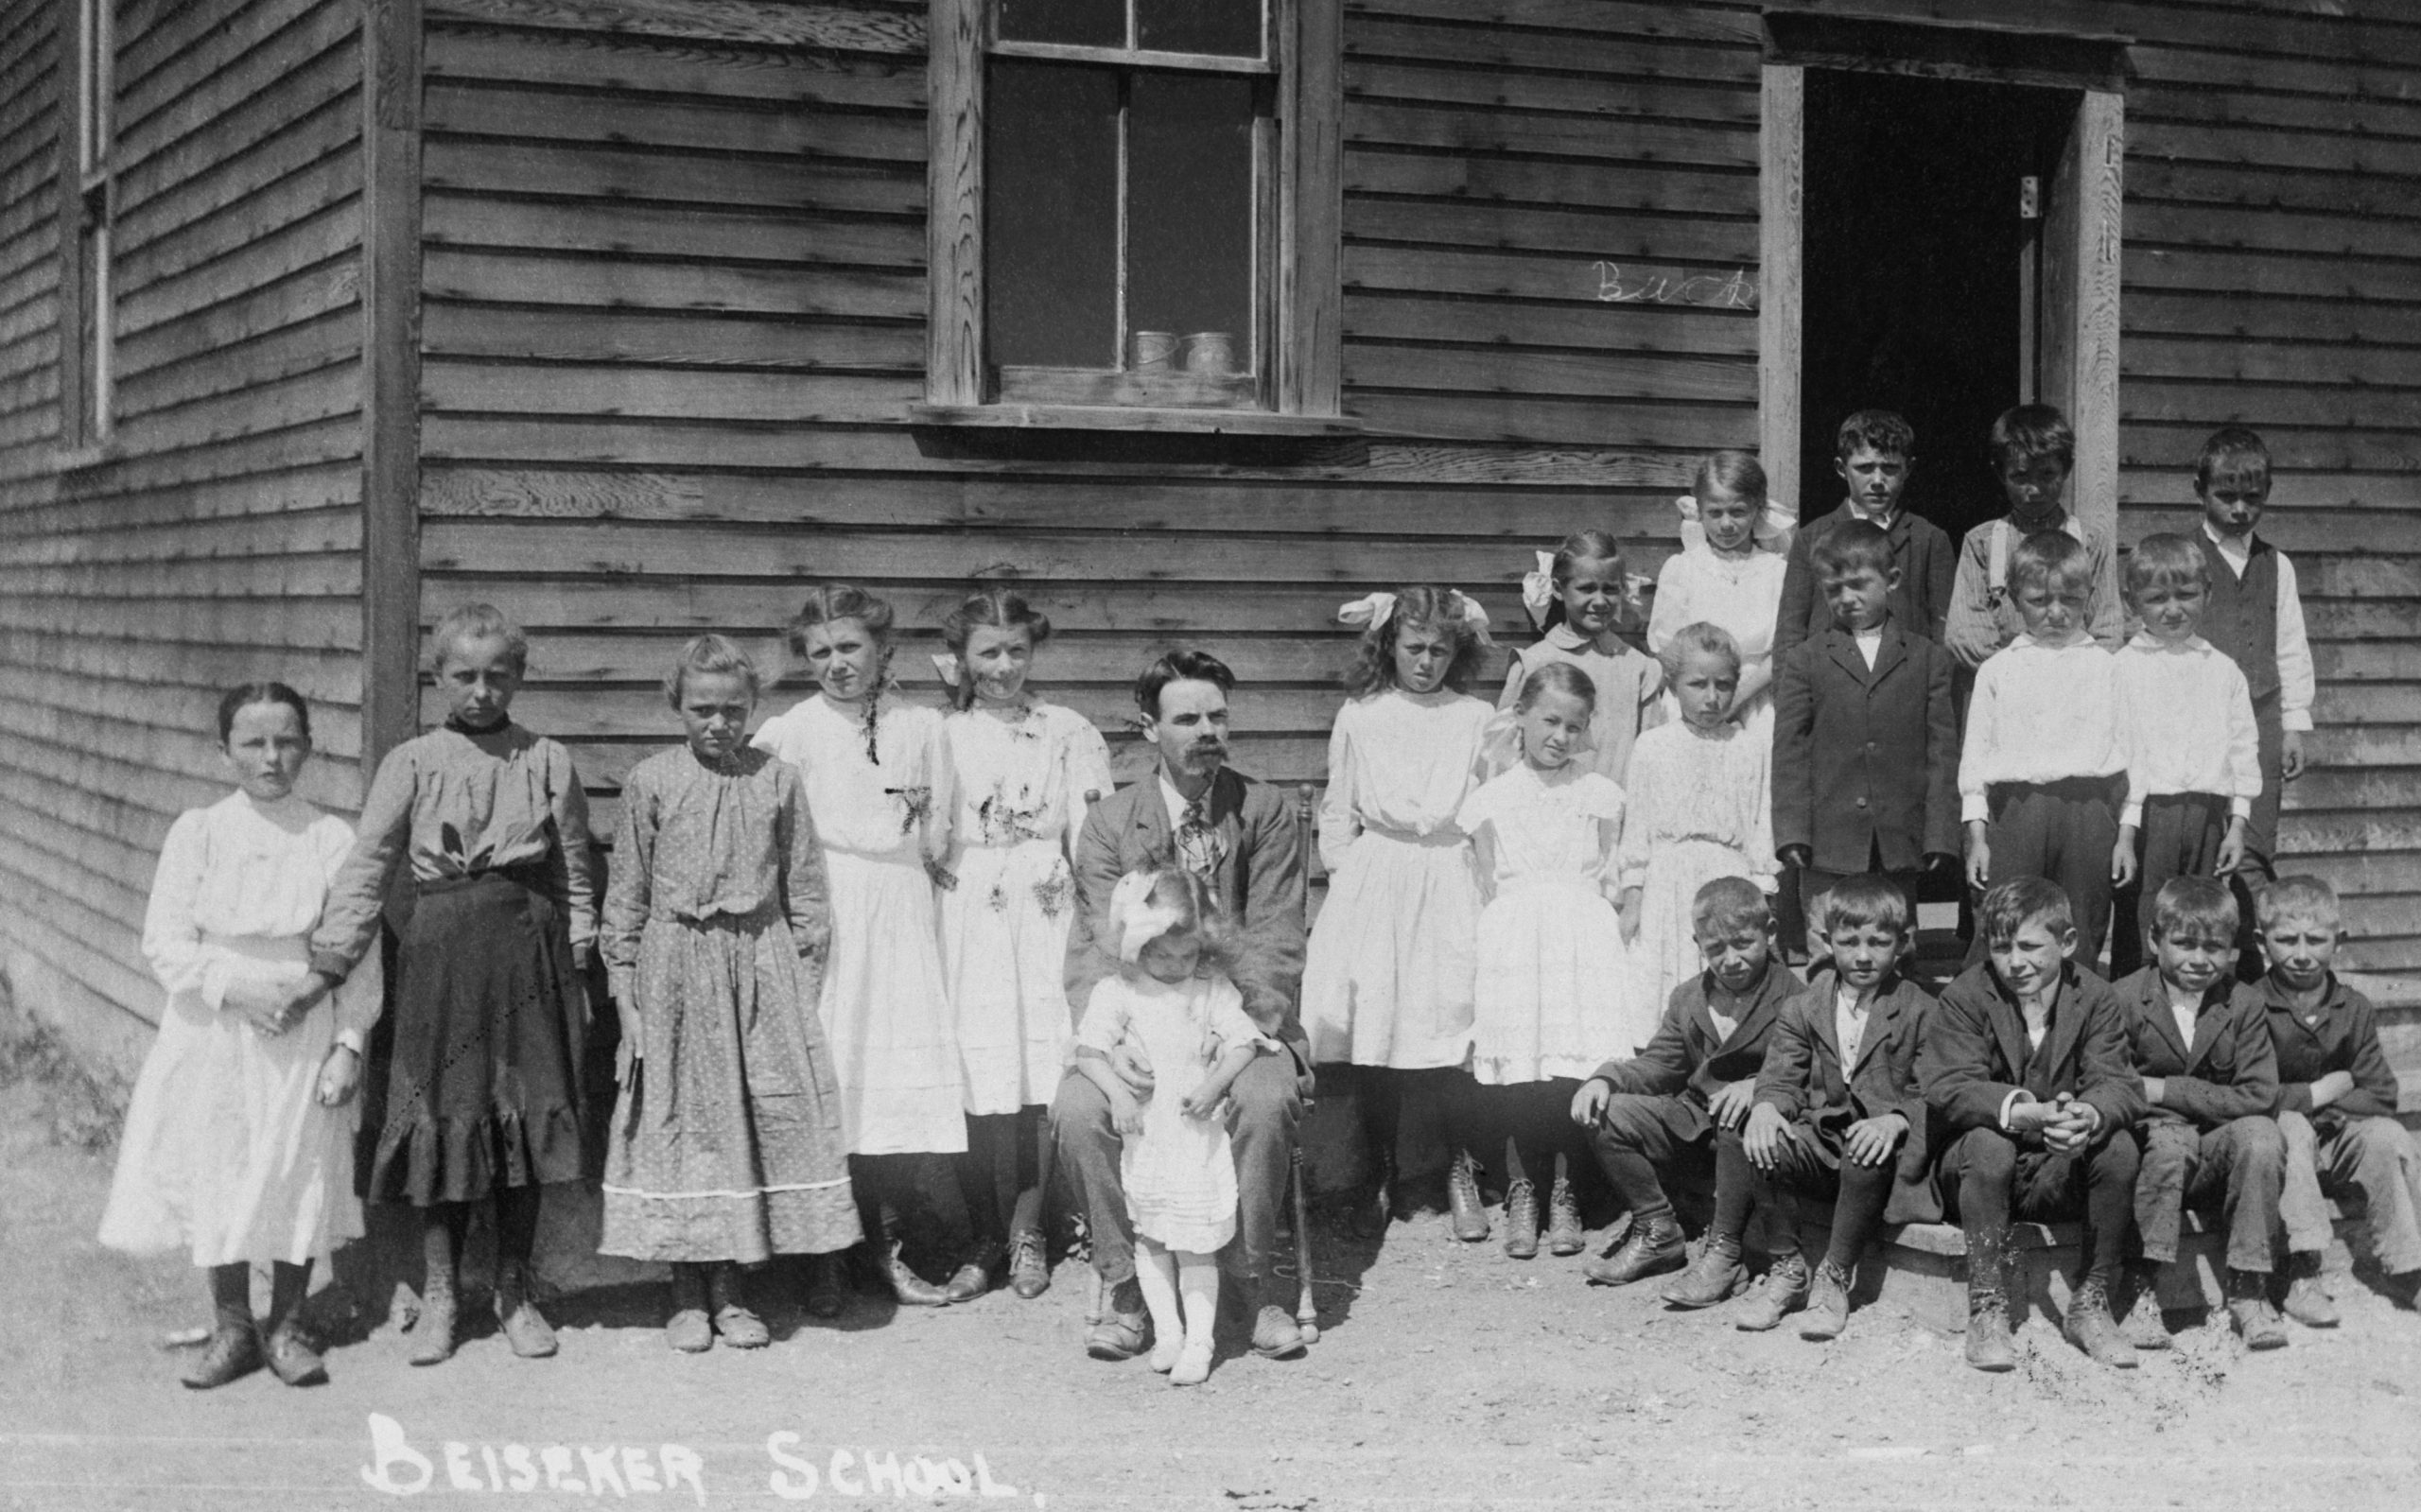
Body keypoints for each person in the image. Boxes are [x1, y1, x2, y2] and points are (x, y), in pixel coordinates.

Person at [291, 605, 597, 1366]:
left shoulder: (548, 759)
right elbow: (368, 864)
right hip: (440, 956)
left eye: (499, 675)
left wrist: (582, 959)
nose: (483, 690)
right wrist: (331, 958)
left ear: (520, 677)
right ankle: (441, 1293)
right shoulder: (414, 760)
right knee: (445, 1116)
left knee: (522, 1119)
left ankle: (514, 1287)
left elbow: (574, 870)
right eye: (465, 675)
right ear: (439, 678)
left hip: (528, 955)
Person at [98, 684, 381, 1389]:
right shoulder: (198, 831)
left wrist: (348, 1042)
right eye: (253, 743)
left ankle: (286, 1323)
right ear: (222, 750)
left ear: (310, 746)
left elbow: (359, 952)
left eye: (286, 740)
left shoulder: (329, 837)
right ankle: (232, 1325)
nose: (271, 757)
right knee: (217, 1166)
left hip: (301, 1018)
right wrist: (234, 988)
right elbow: (163, 942)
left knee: (296, 1167)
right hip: (215, 1022)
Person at [599, 636, 862, 1351]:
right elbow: (623, 902)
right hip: (675, 967)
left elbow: (806, 891)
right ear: (677, 707)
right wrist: (628, 999)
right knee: (683, 1126)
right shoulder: (651, 781)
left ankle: (738, 1288)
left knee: (757, 1120)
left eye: (733, 710)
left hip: (760, 965)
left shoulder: (776, 779)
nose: (718, 723)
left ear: (753, 709)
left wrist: (793, 986)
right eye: (702, 709)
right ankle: (687, 1288)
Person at [1054, 650, 1310, 1364]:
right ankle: (1127, 1285)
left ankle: (1254, 1281)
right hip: (1138, 1022)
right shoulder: (1111, 822)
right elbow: (1094, 945)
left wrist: (1233, 1039)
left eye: (1218, 716)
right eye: (1187, 717)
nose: (1207, 730)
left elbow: (1277, 940)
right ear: (1149, 727)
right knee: (1077, 1109)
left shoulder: (1265, 810)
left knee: (1263, 1100)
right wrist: (1120, 1040)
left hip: (1239, 1026)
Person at [754, 585, 978, 1309]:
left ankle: (887, 1241)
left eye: (849, 647)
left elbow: (940, 831)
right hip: (830, 909)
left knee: (892, 1087)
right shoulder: (792, 731)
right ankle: (830, 1250)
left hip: (903, 910)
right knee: (835, 1077)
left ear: (883, 650)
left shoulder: (923, 727)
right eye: (819, 652)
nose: (836, 664)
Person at [932, 588, 1114, 1300]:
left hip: (1044, 907)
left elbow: (1091, 839)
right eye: (988, 652)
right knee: (980, 1069)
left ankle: (1029, 1227)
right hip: (970, 910)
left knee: (1042, 1067)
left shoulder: (1067, 730)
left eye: (1017, 650)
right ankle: (984, 1229)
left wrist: (1097, 930)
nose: (1004, 666)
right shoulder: (940, 735)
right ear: (962, 660)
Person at [1302, 588, 1494, 1239]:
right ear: (1390, 645)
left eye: (1441, 649)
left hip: (1450, 873)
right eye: (1414, 647)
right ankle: (1378, 1172)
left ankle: (1457, 1169)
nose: (1427, 661)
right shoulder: (1363, 715)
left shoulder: (1476, 716)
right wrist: (1350, 874)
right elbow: (1338, 809)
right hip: (1379, 877)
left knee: (1453, 1024)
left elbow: (1492, 808)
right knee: (1376, 1031)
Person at [1921, 878, 2147, 1373]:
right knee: (1987, 1144)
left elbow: (2118, 1084)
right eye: (2001, 948)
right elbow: (1948, 1085)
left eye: (2029, 946)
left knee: (2120, 1146)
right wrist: (2025, 1110)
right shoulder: (1966, 995)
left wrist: (2085, 1117)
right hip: (1976, 1173)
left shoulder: (2098, 998)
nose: (2015, 962)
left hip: (2053, 1167)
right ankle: (1988, 1304)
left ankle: (2092, 1302)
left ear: (2066, 944)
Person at [1457, 662, 1637, 1260]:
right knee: (1517, 1076)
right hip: (1514, 940)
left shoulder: (1599, 796)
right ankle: (1520, 1188)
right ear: (1522, 719)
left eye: (1573, 725)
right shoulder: (1491, 800)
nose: (1560, 736)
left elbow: (1611, 873)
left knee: (1569, 1070)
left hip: (1581, 941)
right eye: (1549, 721)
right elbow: (1483, 880)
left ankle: (1566, 1190)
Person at [1071, 868, 1277, 1386]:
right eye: (1162, 956)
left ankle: (1201, 1342)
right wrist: (1118, 1093)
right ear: (1135, 945)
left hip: (1194, 1135)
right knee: (1153, 1239)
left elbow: (1244, 1041)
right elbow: (1089, 1052)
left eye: (1187, 955)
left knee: (1193, 1242)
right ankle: (1168, 1332)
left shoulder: (1210, 988)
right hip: (1148, 1137)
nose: (1175, 966)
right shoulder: (1119, 990)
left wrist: (1217, 1085)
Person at [1730, 875, 1939, 1338]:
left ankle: (1835, 1275)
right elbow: (1782, 1078)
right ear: (1827, 941)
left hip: (1883, 1152)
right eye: (1848, 942)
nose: (1863, 956)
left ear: (1901, 944)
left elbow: (1935, 1088)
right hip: (1823, 1142)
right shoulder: (1805, 1007)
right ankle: (1787, 1267)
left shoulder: (1921, 1008)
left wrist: (1896, 1120)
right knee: (1764, 1141)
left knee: (1866, 1149)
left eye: (1878, 943)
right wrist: (1766, 1108)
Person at [1571, 878, 1799, 1290]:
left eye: (1743, 944)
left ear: (1770, 933)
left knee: (1738, 1113)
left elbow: (1811, 1069)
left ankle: (1725, 1252)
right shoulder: (1689, 997)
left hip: (1752, 1135)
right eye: (1715, 949)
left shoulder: (1797, 998)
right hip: (1695, 1123)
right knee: (1609, 1114)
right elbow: (1659, 1063)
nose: (1730, 960)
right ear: (1698, 945)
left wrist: (1759, 1087)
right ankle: (1658, 1230)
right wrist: (1606, 1077)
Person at [2109, 877, 2286, 1353]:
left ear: (2232, 950)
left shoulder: (2244, 1003)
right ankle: (2141, 1289)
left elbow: (2257, 1095)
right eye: (2184, 944)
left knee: (2262, 1136)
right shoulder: (2124, 998)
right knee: (2168, 1140)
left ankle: (2249, 1288)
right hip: (2152, 1149)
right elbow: (2116, 1084)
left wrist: (2167, 1089)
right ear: (2153, 941)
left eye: (2215, 947)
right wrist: (2174, 1102)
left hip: (2214, 1150)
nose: (2199, 960)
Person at [1771, 517, 1960, 936]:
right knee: (1827, 946)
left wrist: (1940, 835)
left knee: (1896, 946)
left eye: (1858, 584)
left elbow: (1942, 754)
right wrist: (1791, 833)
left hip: (1898, 840)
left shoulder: (1928, 659)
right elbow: (1789, 751)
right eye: (1834, 588)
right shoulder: (1806, 659)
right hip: (1828, 841)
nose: (1847, 598)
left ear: (1891, 580)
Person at [1959, 530, 2130, 966]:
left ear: (2089, 596)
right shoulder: (1997, 670)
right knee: (2005, 920)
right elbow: (1975, 758)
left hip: (2089, 812)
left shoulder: (2107, 668)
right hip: (2017, 811)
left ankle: (2076, 1021)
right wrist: (1977, 834)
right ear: (2015, 598)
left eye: (2070, 600)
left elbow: (2133, 756)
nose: (2056, 613)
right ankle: (1994, 1023)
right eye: (2039, 600)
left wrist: (2126, 830)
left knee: (2082, 923)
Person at [2255, 877, 2421, 1317]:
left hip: (2337, 1142)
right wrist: (2320, 1092)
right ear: (2261, 942)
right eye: (2287, 940)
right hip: (2281, 1153)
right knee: (2290, 1126)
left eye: (2317, 939)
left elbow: (2381, 1096)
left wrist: (2308, 1103)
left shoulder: (2354, 1007)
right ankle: (2299, 1270)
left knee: (2387, 1135)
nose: (2303, 954)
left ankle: (2407, 1267)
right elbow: (2249, 1095)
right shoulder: (2249, 1005)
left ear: (2339, 941)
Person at [2107, 534, 2261, 979]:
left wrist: (2236, 825)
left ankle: (2200, 1011)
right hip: (2147, 817)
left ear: (2208, 594)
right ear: (2131, 600)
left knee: (2203, 916)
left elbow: (2242, 749)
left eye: (2186, 595)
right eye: (2157, 598)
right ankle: (2136, 1015)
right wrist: (2125, 833)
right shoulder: (2122, 667)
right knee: (2144, 919)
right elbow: (2119, 751)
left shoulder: (2223, 669)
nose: (2173, 609)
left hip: (2208, 816)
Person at [2190, 426, 2316, 947]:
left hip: (2262, 720)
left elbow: (2291, 646)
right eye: (2227, 496)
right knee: (2201, 835)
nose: (2240, 509)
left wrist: (2294, 725)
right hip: (2198, 718)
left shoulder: (2276, 565)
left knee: (2255, 841)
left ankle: (2252, 959)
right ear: (2199, 489)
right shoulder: (2186, 557)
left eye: (2252, 498)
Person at [1619, 623, 1777, 1021]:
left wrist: (1763, 892)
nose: (1712, 697)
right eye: (1697, 684)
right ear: (1673, 686)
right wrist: (1633, 901)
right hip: (1667, 880)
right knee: (1665, 974)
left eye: (1723, 684)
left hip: (1729, 876)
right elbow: (1636, 828)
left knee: (1726, 973)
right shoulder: (1652, 746)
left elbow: (1761, 826)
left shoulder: (1748, 746)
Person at [1943, 404, 2125, 668]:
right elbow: (1965, 633)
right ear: (2000, 473)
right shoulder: (1982, 543)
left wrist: (2066, 673)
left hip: (2076, 682)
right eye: (2020, 476)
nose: (2035, 489)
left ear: (2066, 469)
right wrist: (2025, 674)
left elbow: (2107, 631)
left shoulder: (2091, 544)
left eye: (2047, 474)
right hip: (2008, 684)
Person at [1774, 409, 1957, 654]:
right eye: (1865, 468)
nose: (1878, 480)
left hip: (1904, 684)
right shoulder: (1811, 537)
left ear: (1909, 469)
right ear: (1841, 468)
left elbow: (1944, 636)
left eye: (1890, 468)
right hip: (1828, 686)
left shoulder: (1930, 539)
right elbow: (1790, 634)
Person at [1502, 530, 1663, 787]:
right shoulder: (1534, 662)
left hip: (1616, 815)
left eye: (1610, 590)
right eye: (1586, 589)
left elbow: (1652, 761)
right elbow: (1503, 754)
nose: (1600, 601)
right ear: (1558, 589)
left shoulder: (1638, 668)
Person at [1648, 452, 1790, 739]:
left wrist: (1735, 701)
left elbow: (1783, 652)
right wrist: (1705, 699)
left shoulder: (1778, 572)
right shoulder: (1682, 569)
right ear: (1700, 511)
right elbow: (1666, 650)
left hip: (1758, 702)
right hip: (1692, 702)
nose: (1726, 524)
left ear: (1757, 510)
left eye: (1737, 512)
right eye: (1715, 513)